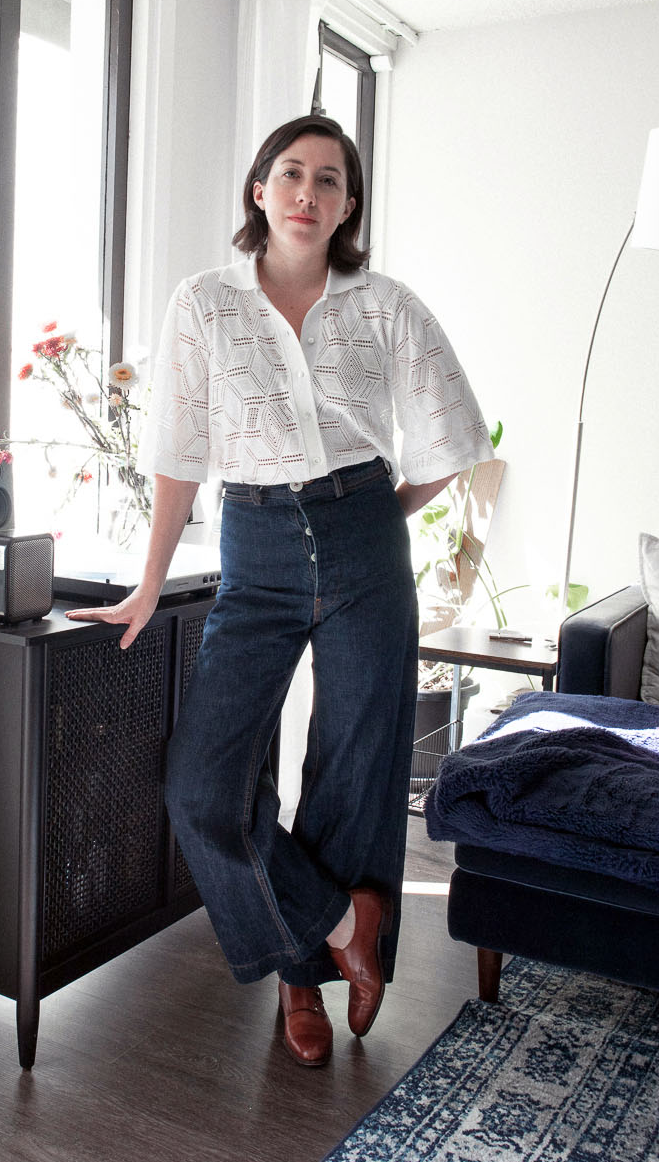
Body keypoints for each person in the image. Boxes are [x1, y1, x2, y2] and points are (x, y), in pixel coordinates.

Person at [67, 114, 492, 1068]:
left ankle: (304, 983)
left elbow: (450, 439)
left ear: (349, 207)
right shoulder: (204, 305)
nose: (308, 192)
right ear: (259, 190)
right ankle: (348, 920)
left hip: (362, 540)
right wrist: (146, 586)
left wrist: (377, 508)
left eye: (330, 180)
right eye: (291, 173)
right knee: (205, 785)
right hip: (255, 545)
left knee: (351, 768)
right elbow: (177, 454)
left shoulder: (385, 306)